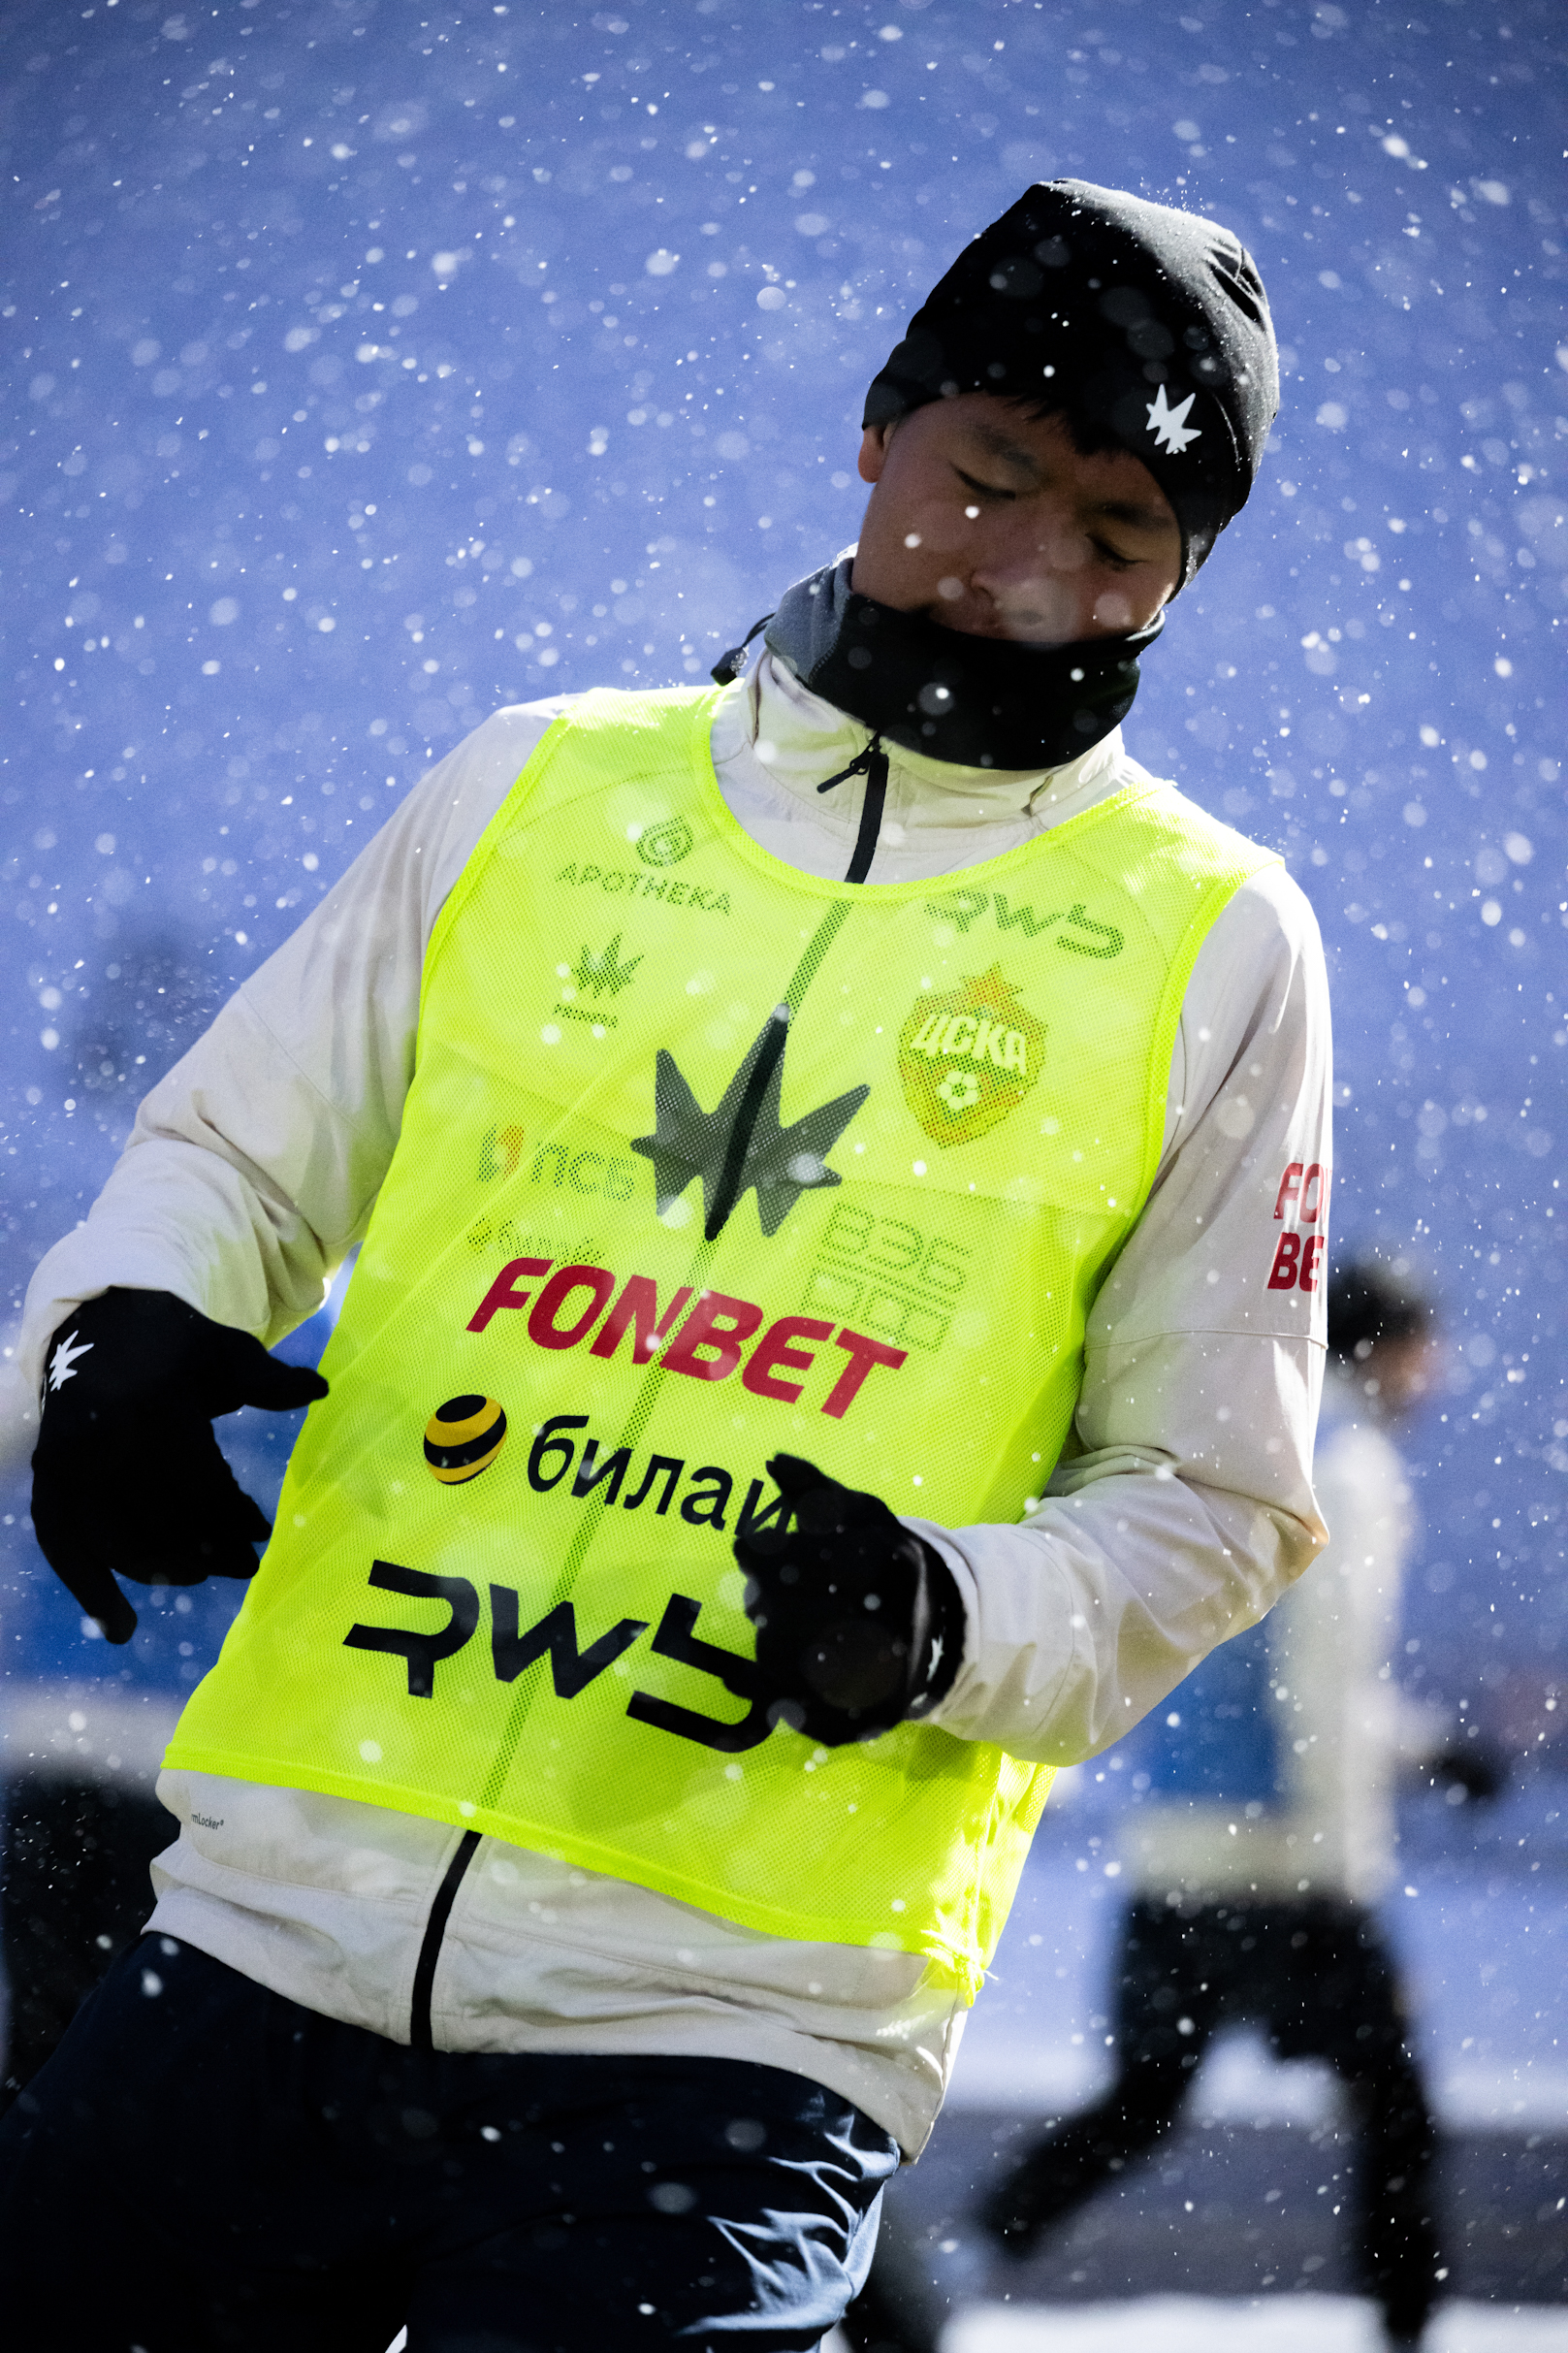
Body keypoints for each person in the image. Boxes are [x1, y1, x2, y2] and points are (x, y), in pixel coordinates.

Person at [0, 180, 1331, 2351]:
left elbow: (1217, 1493)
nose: (1027, 566)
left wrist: (946, 1616)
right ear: (877, 433)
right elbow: (227, 1166)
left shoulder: (1213, 938)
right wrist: (118, 1338)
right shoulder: (537, 784)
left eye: (1119, 532)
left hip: (737, 2037)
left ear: (1183, 575)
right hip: (262, 1938)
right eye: (990, 473)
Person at [975, 1260, 1451, 2352]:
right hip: (1282, 1859)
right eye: (1428, 1352)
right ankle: (1409, 2326)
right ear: (1385, 1351)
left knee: (1140, 2101)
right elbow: (1319, 1684)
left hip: (1177, 1839)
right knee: (1397, 2113)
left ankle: (963, 2257)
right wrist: (1343, 1871)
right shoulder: (1350, 1470)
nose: (1438, 1377)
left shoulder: (1244, 1444)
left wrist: (1424, 1748)